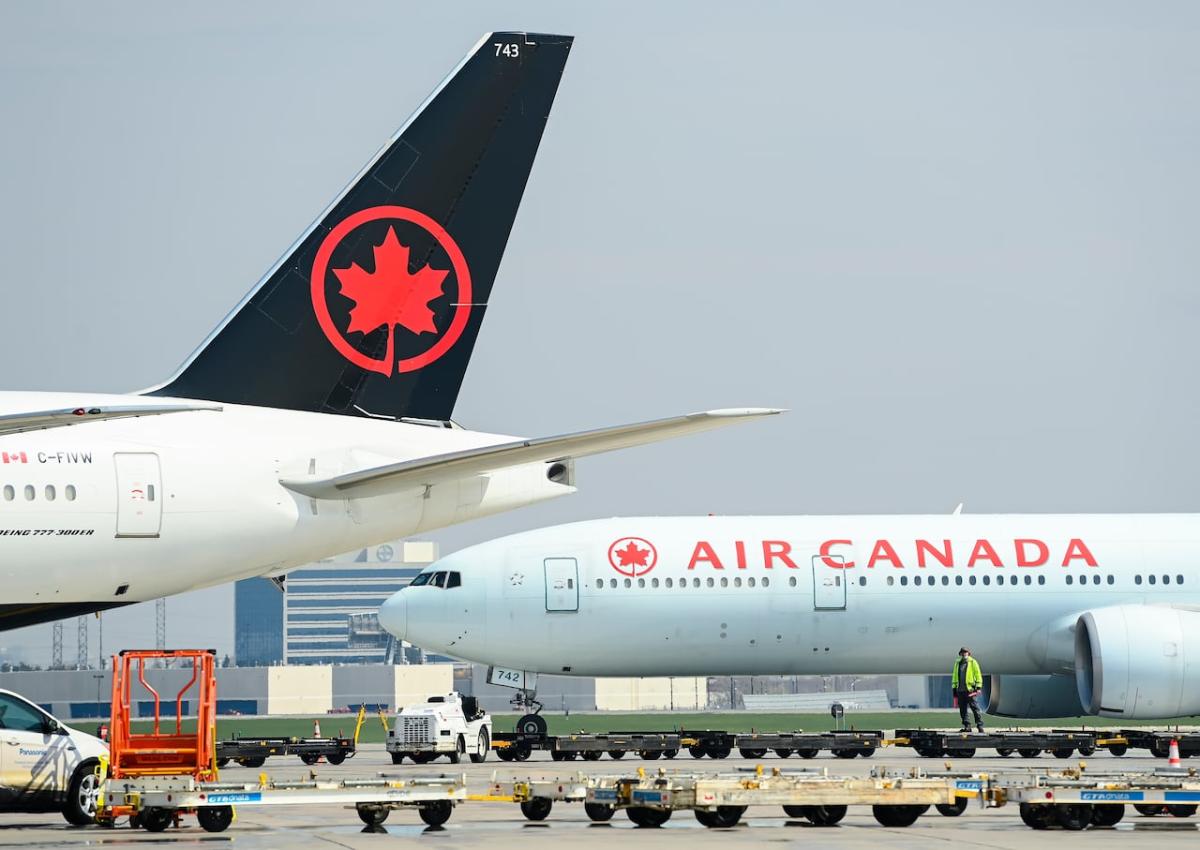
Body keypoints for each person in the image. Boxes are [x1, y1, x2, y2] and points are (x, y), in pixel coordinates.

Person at [951, 647, 984, 732]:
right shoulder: (957, 663)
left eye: (966, 652)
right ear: (960, 654)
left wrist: (978, 687)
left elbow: (978, 675)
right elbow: (954, 676)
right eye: (962, 652)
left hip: (970, 690)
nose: (964, 654)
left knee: (975, 708)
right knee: (963, 709)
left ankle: (979, 725)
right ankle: (967, 726)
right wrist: (954, 689)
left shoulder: (973, 662)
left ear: (968, 653)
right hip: (960, 690)